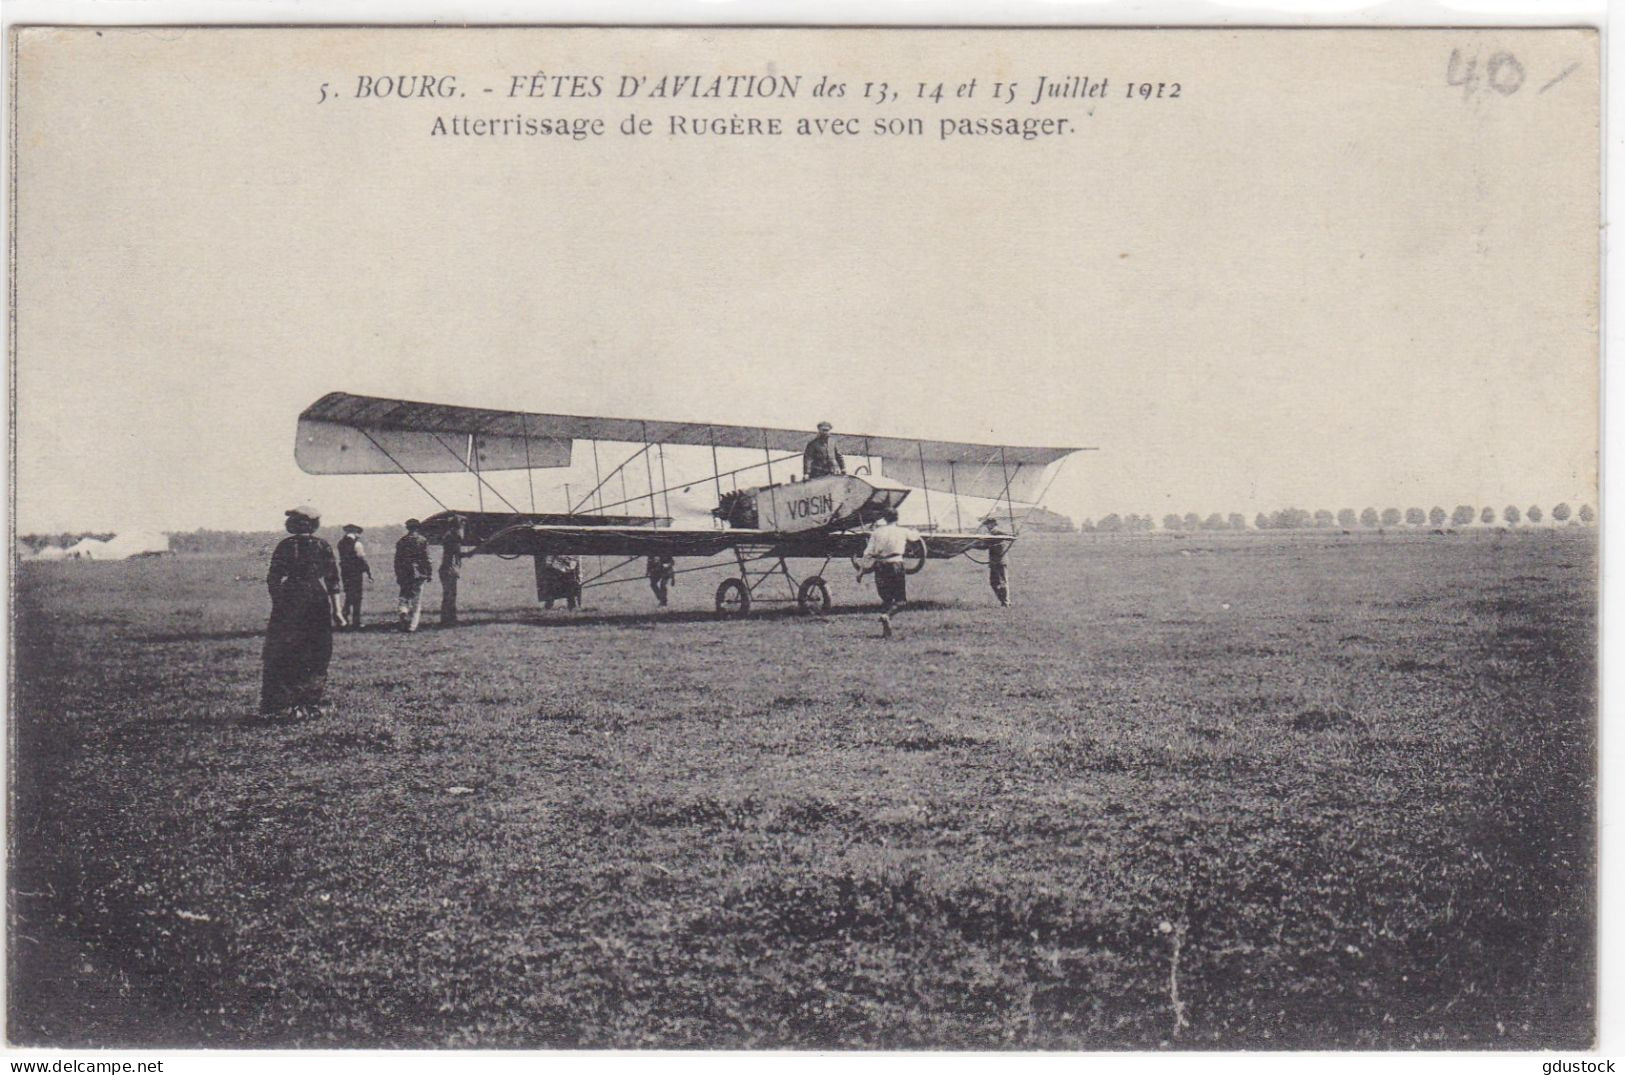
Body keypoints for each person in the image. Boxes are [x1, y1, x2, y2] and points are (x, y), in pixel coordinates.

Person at [260, 505, 343, 719]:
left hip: (290, 598)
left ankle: (282, 703)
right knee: (317, 649)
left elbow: (273, 578)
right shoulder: (322, 546)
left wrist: (279, 601)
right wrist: (338, 611)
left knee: (285, 649)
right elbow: (333, 580)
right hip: (316, 598)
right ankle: (308, 701)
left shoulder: (284, 546)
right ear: (315, 524)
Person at [857, 509, 923, 638]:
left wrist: (861, 571)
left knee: (886, 599)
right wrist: (916, 530)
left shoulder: (876, 532)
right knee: (901, 601)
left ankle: (886, 631)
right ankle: (886, 616)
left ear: (884, 518)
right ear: (897, 518)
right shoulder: (902, 531)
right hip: (895, 564)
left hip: (880, 566)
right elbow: (915, 537)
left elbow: (867, 553)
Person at [394, 518, 433, 632]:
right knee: (417, 601)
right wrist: (429, 573)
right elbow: (427, 558)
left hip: (404, 573)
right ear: (418, 528)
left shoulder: (401, 541)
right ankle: (412, 626)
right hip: (418, 573)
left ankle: (403, 611)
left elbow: (397, 560)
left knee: (405, 596)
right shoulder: (422, 540)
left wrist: (398, 574)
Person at [335, 524, 371, 629]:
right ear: (355, 532)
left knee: (349, 596)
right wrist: (368, 572)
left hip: (345, 573)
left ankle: (343, 618)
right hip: (356, 573)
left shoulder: (340, 543)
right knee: (357, 597)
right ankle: (356, 621)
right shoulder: (357, 544)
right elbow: (362, 559)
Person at [439, 516, 464, 626]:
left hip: (447, 569)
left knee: (449, 595)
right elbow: (457, 553)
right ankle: (449, 619)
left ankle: (448, 618)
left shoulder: (449, 535)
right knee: (450, 595)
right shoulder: (454, 536)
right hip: (449, 569)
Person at [980, 517, 1012, 607]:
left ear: (993, 524)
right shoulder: (991, 533)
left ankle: (1006, 602)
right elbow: (984, 546)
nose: (987, 526)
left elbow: (1008, 535)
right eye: (986, 524)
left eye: (988, 524)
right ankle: (1003, 601)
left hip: (1000, 561)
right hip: (994, 562)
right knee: (993, 582)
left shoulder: (996, 531)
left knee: (1002, 582)